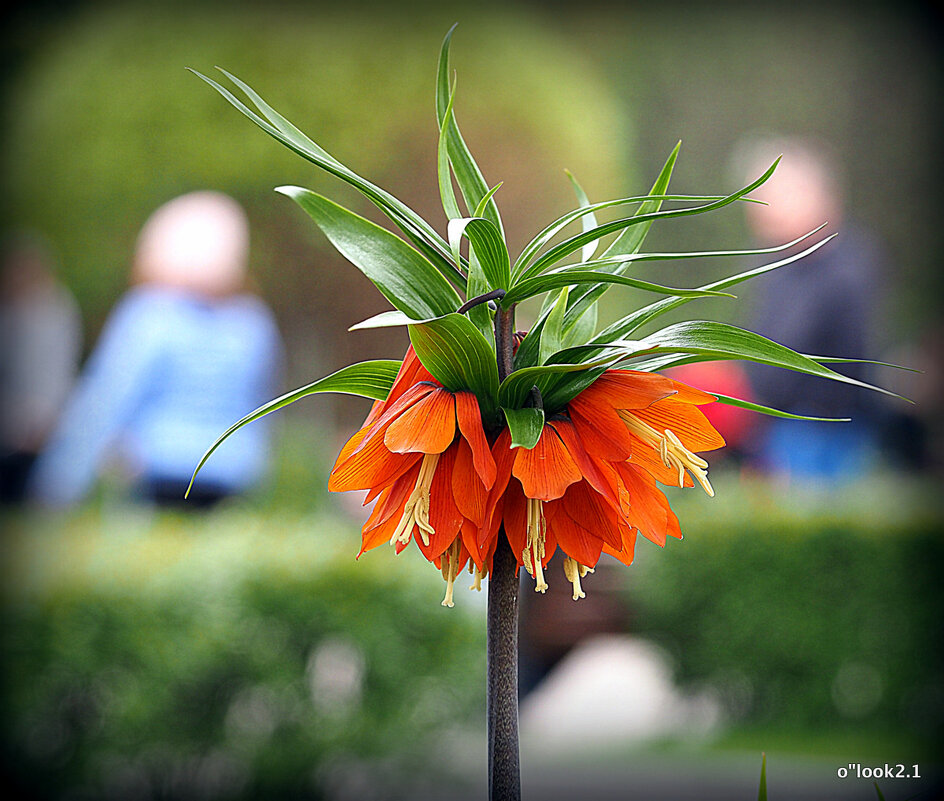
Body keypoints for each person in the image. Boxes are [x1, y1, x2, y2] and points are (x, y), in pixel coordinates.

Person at [29, 191, 283, 508]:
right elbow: (264, 404)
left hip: (154, 472)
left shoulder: (149, 314)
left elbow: (106, 400)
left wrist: (56, 485)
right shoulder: (253, 321)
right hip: (232, 476)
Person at [734, 135, 886, 482]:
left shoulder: (850, 264)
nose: (759, 212)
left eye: (770, 198)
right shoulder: (775, 267)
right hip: (778, 427)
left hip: (828, 429)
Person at [0, 233, 82, 504]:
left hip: (43, 427)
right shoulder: (9, 312)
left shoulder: (55, 309)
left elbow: (55, 370)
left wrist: (44, 417)